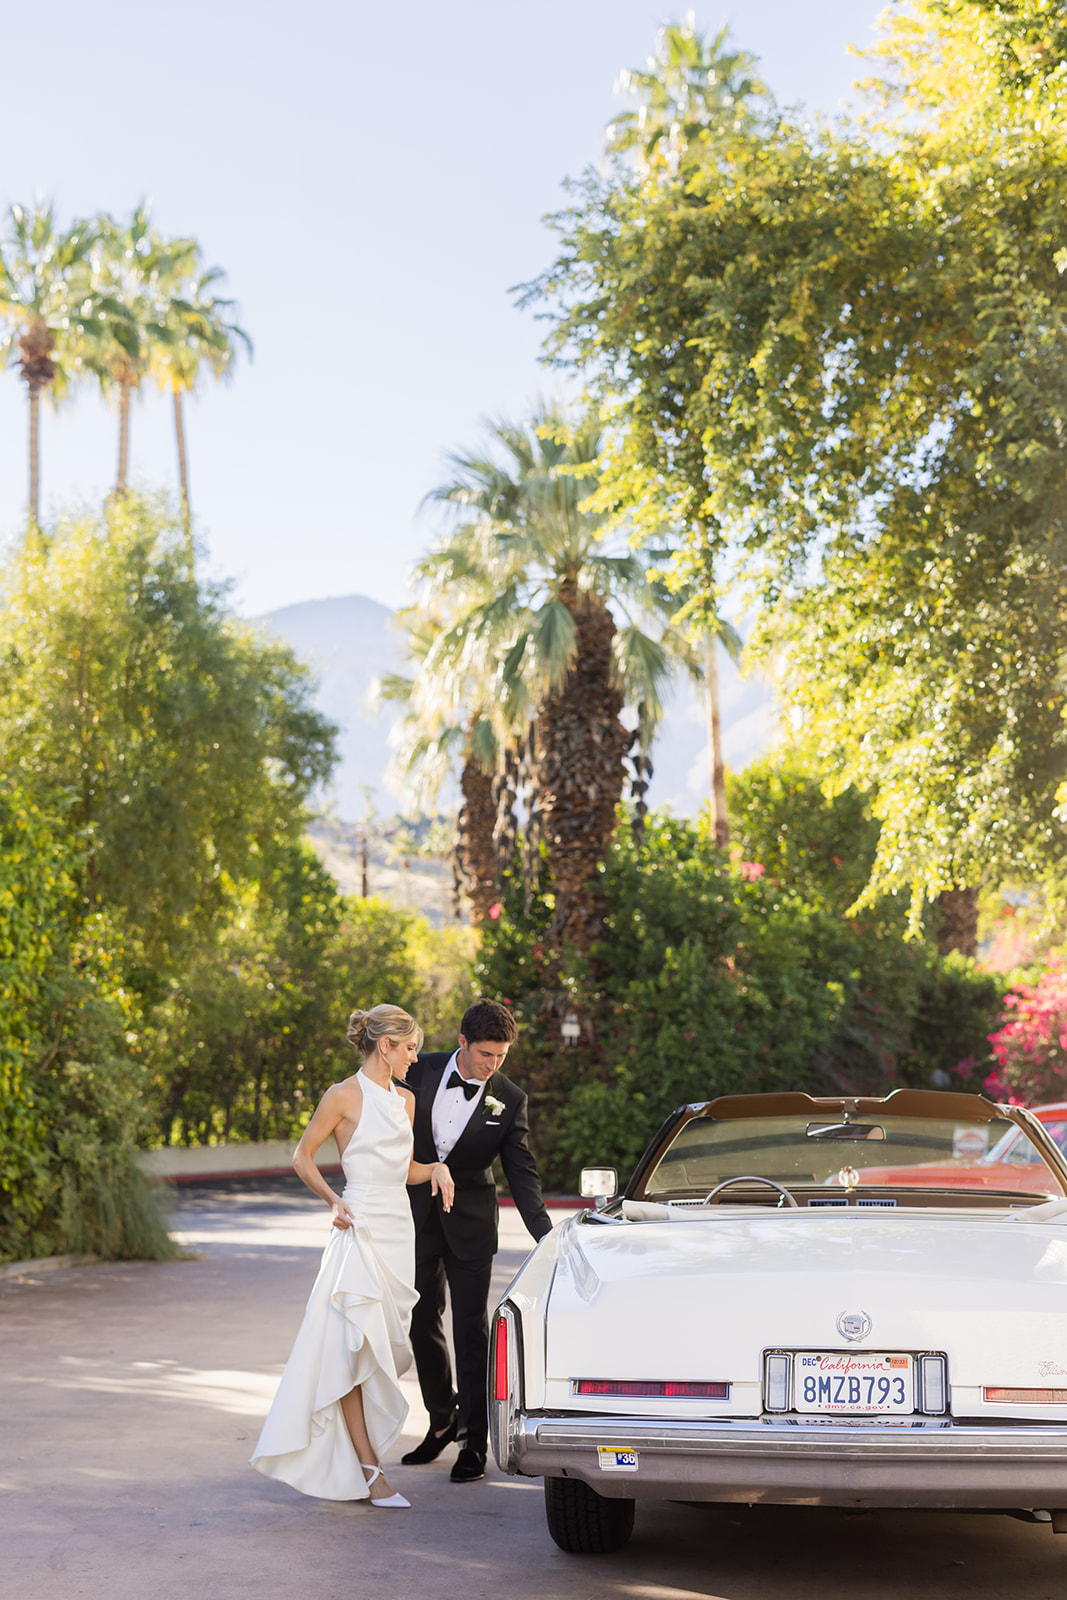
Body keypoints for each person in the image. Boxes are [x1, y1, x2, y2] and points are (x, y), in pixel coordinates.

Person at [250, 1003, 455, 1507]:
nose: (414, 1057)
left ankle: (361, 1464)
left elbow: (404, 1169)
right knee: (350, 1347)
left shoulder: (405, 1100)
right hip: (359, 1227)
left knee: (378, 1345)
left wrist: (438, 1170)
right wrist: (334, 1200)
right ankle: (370, 1471)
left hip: (397, 1232)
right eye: (409, 1048)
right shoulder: (342, 1095)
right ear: (385, 1046)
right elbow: (302, 1156)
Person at [402, 998, 552, 1484]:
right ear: (462, 1043)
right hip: (416, 1219)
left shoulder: (509, 1098)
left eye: (501, 1056)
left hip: (470, 1224)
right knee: (420, 1319)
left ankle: (473, 1440)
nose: (492, 1065)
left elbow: (521, 1171)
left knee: (471, 1330)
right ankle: (441, 1417)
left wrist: (546, 1236)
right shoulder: (416, 1071)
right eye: (485, 1053)